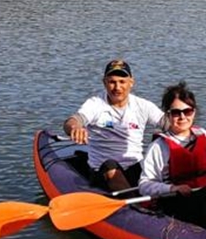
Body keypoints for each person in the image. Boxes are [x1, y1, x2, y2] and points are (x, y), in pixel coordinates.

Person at [64, 59, 164, 193]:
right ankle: (136, 206)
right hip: (102, 172)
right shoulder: (95, 104)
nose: (117, 87)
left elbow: (168, 123)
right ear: (104, 82)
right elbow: (73, 121)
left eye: (122, 82)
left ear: (131, 83)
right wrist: (75, 128)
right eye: (112, 82)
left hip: (134, 168)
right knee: (110, 166)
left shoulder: (143, 106)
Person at [137, 81, 206, 233]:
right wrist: (173, 188)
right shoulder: (159, 147)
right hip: (176, 201)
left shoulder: (204, 134)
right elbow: (144, 186)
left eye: (188, 111)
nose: (182, 117)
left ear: (194, 112)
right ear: (168, 115)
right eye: (176, 112)